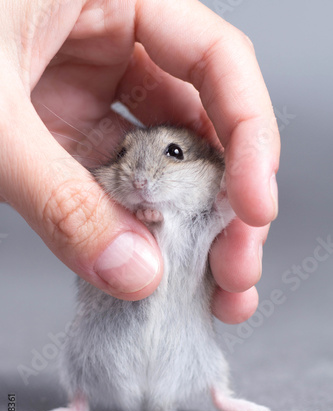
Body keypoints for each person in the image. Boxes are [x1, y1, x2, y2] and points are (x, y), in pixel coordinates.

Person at [0, 0, 280, 324]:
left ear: (212, 165)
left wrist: (231, 198)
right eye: (124, 154)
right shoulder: (114, 203)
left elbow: (222, 213)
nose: (141, 178)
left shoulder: (214, 194)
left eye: (173, 154)